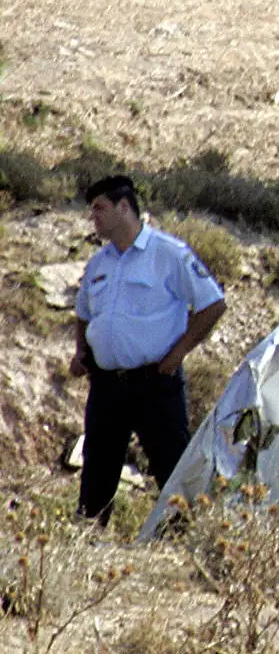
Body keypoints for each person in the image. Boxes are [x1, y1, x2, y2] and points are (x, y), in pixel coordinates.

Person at [68, 175, 227, 524]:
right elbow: (83, 312)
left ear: (124, 207)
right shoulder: (99, 263)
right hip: (108, 383)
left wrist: (177, 354)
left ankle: (185, 538)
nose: (93, 217)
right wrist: (81, 352)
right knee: (99, 462)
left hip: (155, 380)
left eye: (100, 208)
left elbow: (212, 304)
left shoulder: (168, 254)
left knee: (170, 462)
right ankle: (88, 538)